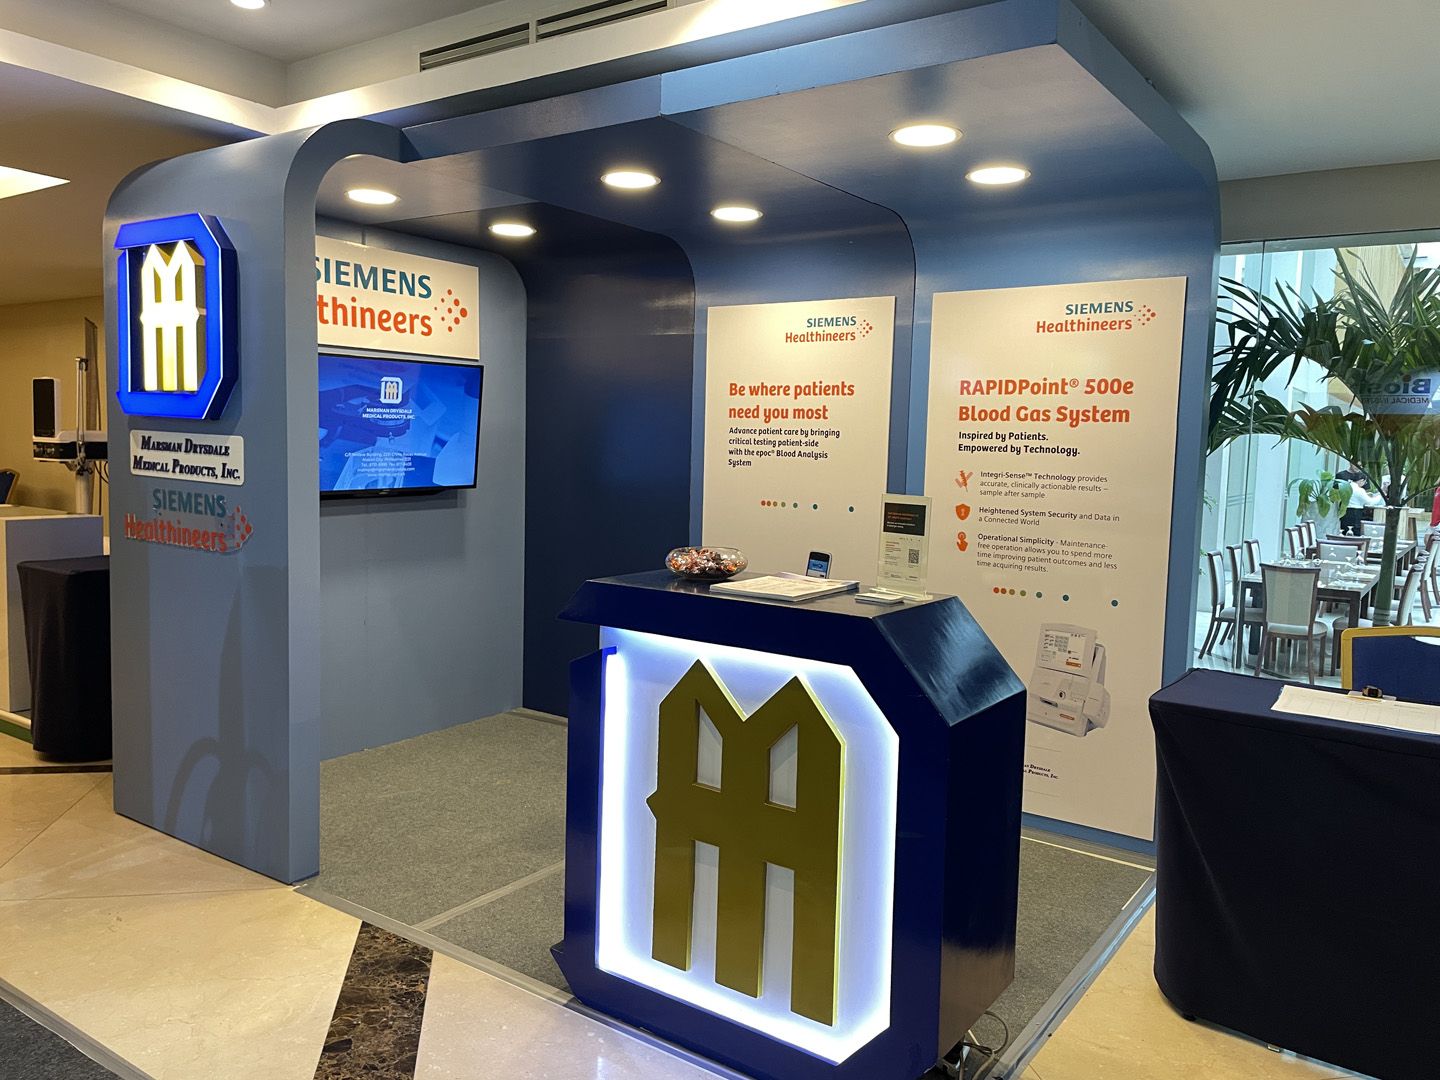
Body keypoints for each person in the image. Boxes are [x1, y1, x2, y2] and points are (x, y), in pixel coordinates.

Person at [1337, 464, 1384, 535]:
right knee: (1354, 532)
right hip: (1355, 513)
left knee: (1344, 531)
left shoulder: (1347, 486)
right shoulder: (1359, 490)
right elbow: (1370, 502)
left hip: (1345, 511)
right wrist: (1380, 495)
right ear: (1362, 480)